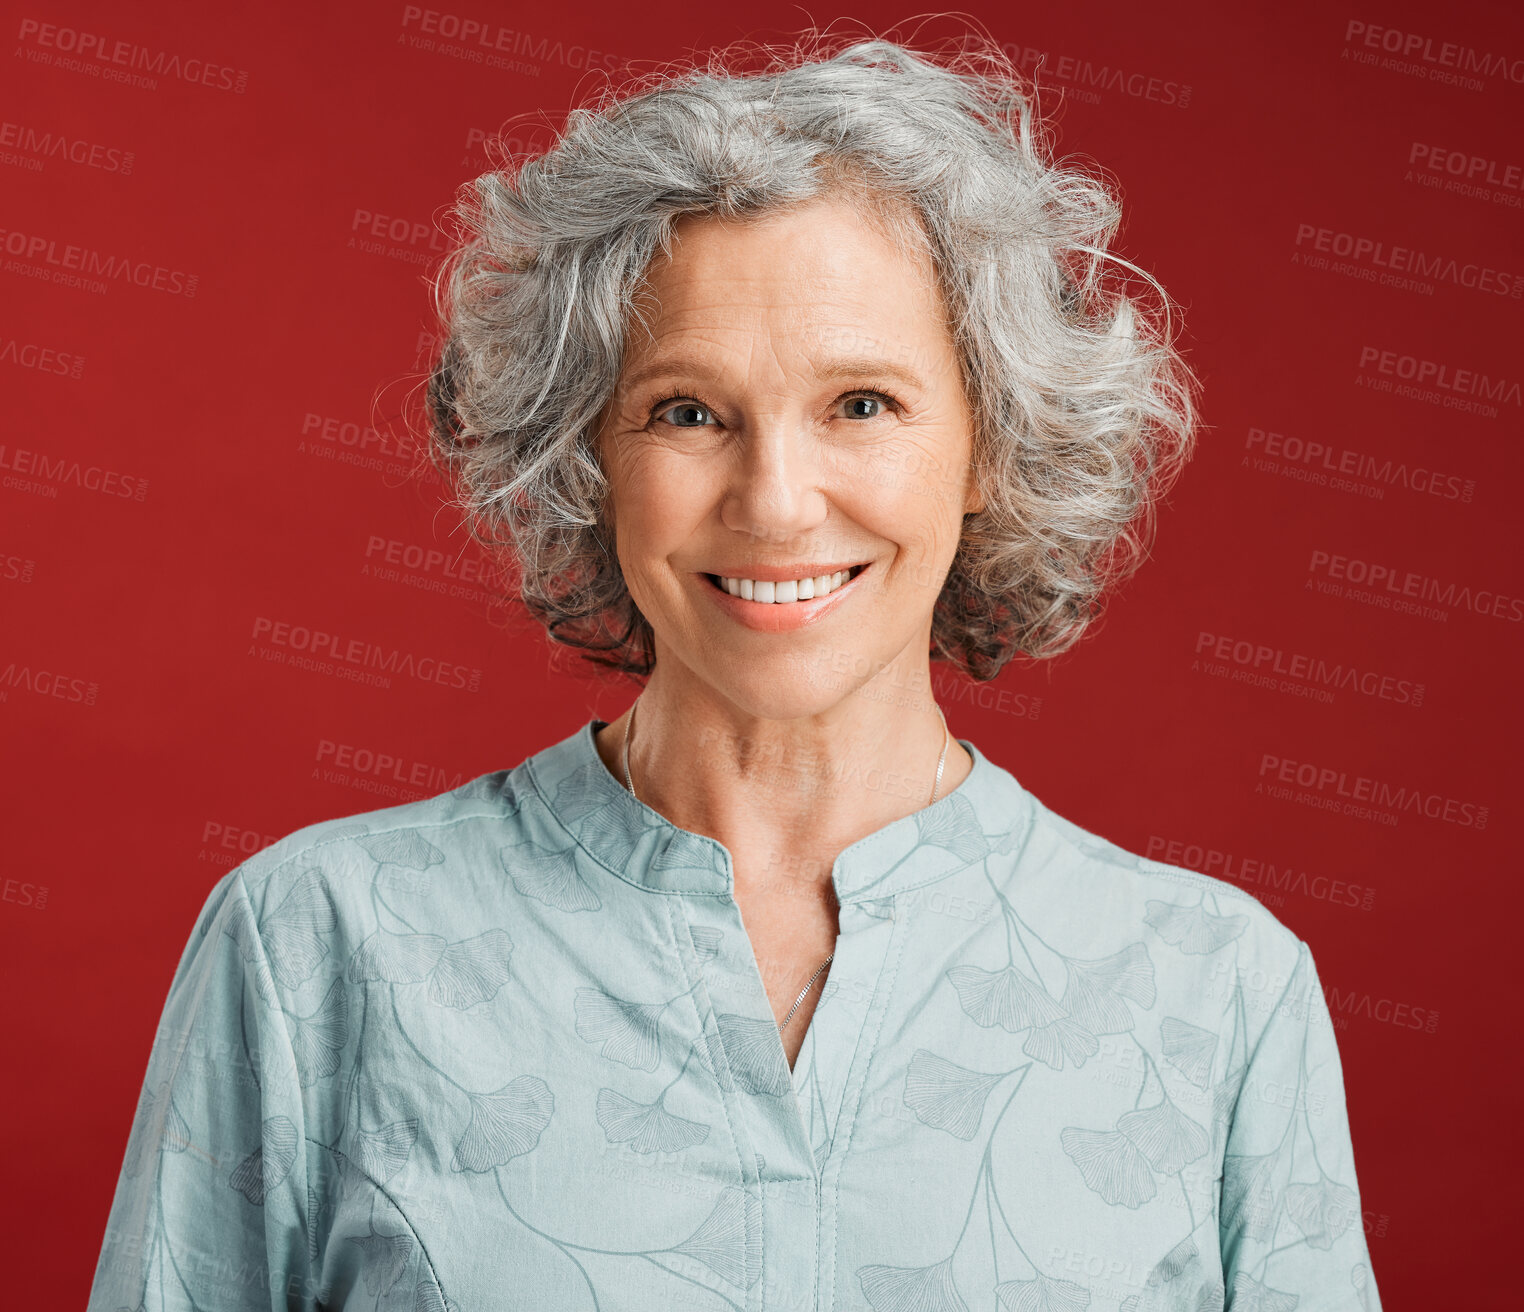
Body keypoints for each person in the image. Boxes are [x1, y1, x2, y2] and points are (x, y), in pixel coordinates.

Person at [87, 32, 1383, 1312]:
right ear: (587, 456)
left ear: (988, 444)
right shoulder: (316, 946)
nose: (775, 501)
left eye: (861, 404)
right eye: (688, 411)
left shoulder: (1218, 995)